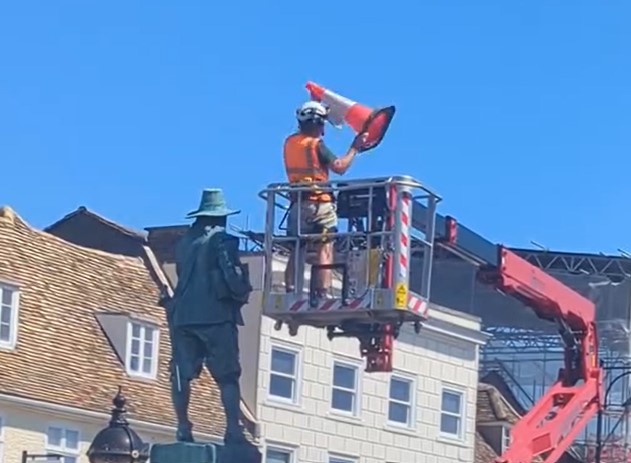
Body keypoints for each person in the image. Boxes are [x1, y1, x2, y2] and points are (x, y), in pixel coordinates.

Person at [164, 188, 252, 444]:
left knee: (181, 373)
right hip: (215, 315)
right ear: (218, 217)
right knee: (228, 376)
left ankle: (182, 427)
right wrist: (243, 288)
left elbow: (181, 275)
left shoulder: (184, 242)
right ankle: (233, 429)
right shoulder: (223, 241)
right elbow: (232, 278)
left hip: (182, 315)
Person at [283, 100, 367, 299]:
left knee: (296, 248)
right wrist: (354, 148)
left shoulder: (289, 143)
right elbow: (339, 167)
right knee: (325, 244)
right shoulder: (316, 145)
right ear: (319, 124)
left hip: (297, 204)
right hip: (320, 202)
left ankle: (290, 290)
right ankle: (322, 292)